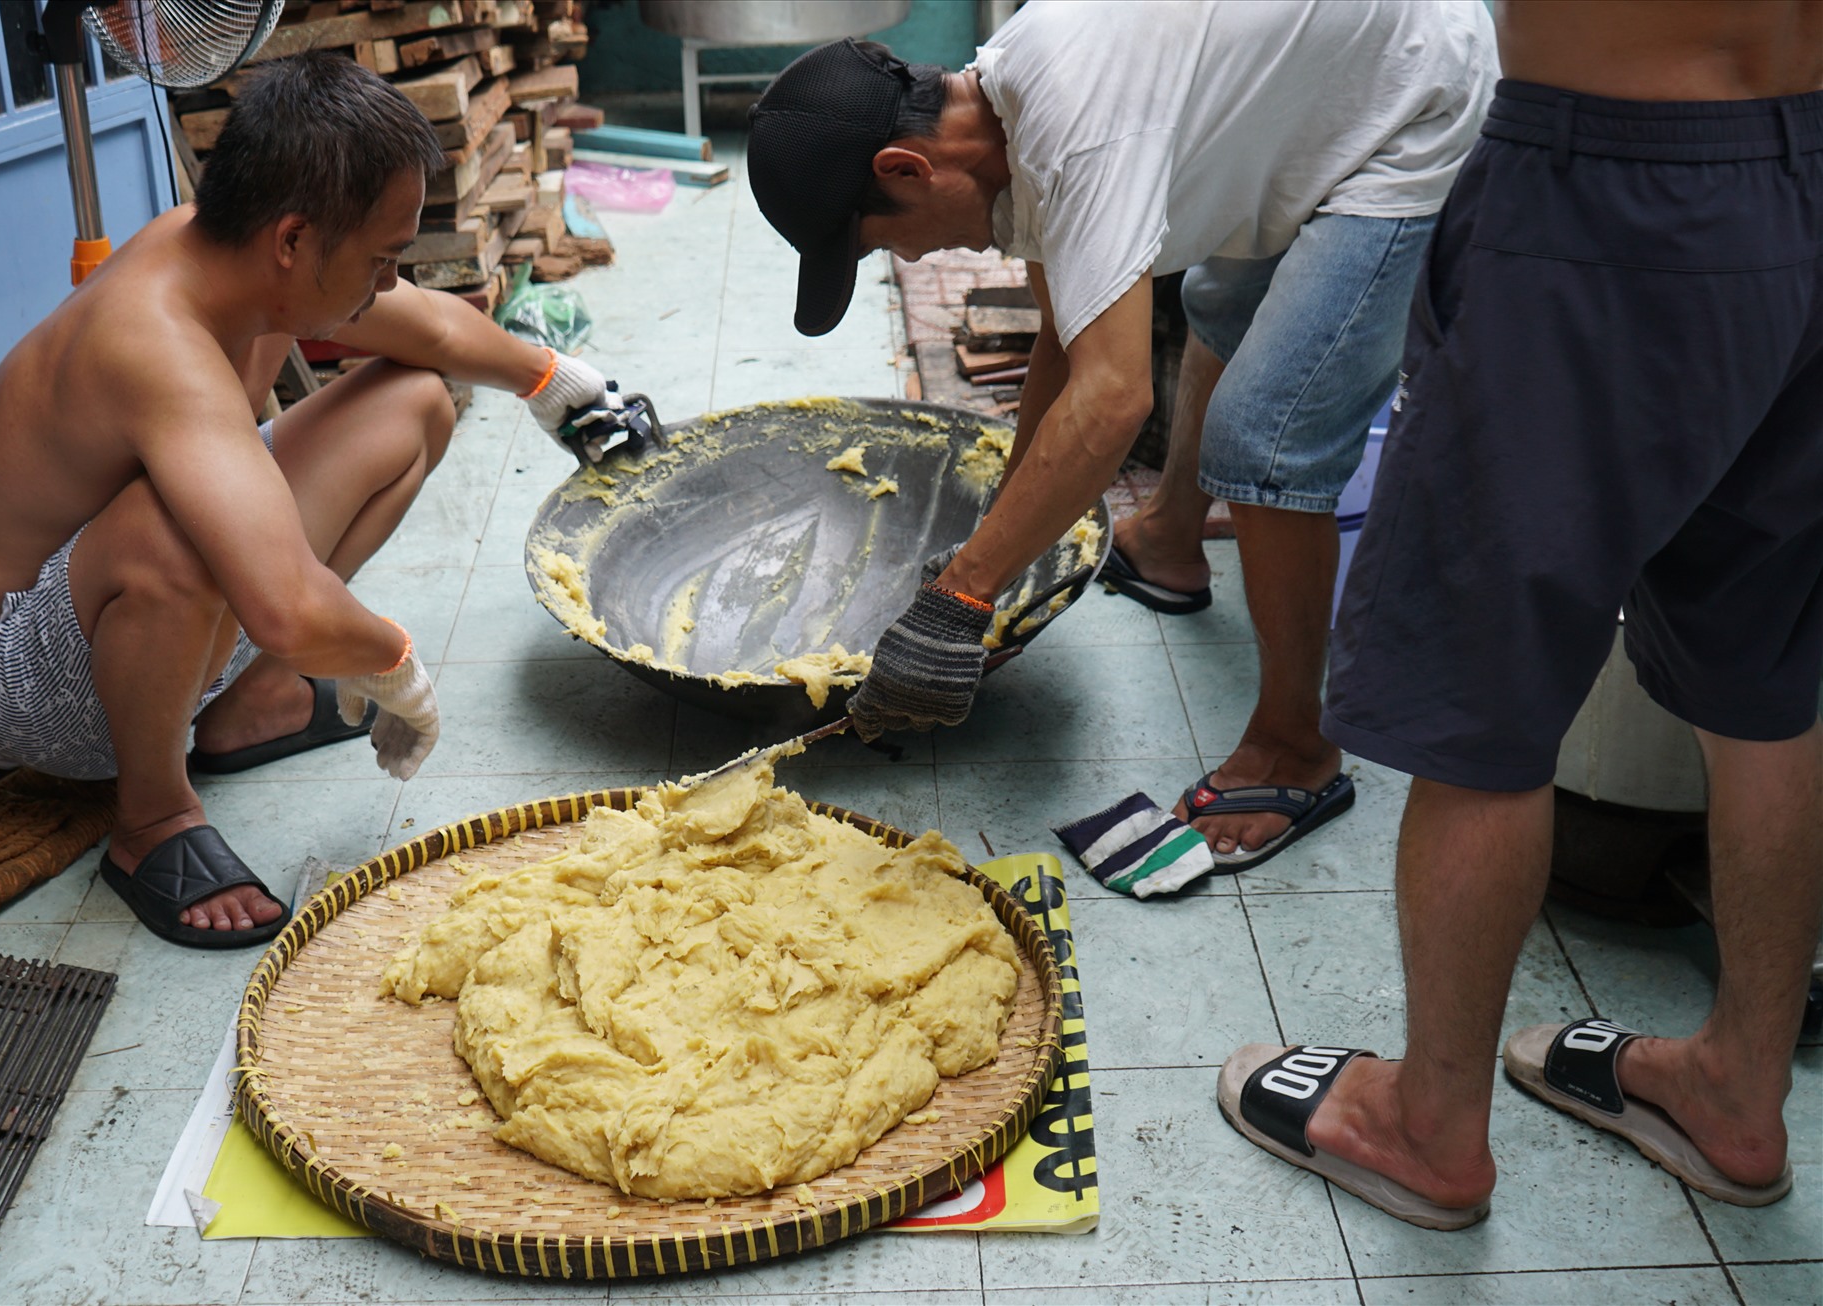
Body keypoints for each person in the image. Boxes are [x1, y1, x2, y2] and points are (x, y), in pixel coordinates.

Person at [1215, 0, 1823, 1229]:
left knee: (1477, 693)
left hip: (1610, 185)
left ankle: (1425, 1127)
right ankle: (1735, 1096)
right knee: (1766, 685)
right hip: (1806, 166)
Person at [744, 1, 1495, 871]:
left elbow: (1110, 401)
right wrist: (993, 550)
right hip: (1323, 81)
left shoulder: (1078, 136)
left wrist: (957, 603)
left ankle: (1299, 749)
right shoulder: (1009, 112)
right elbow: (1070, 341)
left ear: (908, 168)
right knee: (1218, 302)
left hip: (1411, 99)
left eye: (886, 244)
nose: (909, 261)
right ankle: (1172, 543)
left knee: (1267, 440)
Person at [0, 53, 624, 949]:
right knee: (178, 538)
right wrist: (396, 664)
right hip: (24, 678)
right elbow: (285, 602)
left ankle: (246, 701)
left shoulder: (236, 255)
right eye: (380, 258)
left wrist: (559, 386)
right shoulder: (153, 339)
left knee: (414, 403)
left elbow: (427, 326)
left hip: (128, 611)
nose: (387, 280)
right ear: (295, 239)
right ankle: (151, 818)